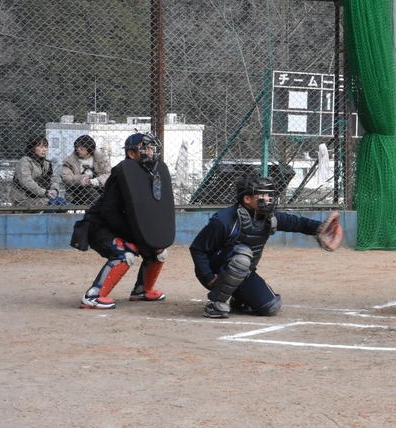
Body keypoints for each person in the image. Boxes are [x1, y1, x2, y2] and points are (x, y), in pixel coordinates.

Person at [190, 175, 341, 319]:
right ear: (247, 199)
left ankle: (240, 298)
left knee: (271, 306)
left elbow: (298, 223)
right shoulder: (224, 220)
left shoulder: (269, 217)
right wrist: (208, 277)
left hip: (241, 270)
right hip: (215, 270)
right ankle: (215, 304)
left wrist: (320, 228)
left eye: (269, 195)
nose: (268, 199)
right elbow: (198, 249)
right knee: (242, 255)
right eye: (262, 196)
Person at [78, 133, 175, 309]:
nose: (150, 151)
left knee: (158, 251)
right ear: (131, 154)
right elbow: (109, 212)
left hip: (123, 226)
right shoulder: (123, 175)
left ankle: (142, 291)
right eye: (144, 148)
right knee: (125, 252)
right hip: (99, 227)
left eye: (151, 147)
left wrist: (143, 235)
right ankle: (93, 296)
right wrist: (135, 235)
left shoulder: (149, 173)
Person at [12, 135, 69, 208]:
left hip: (44, 195)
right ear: (33, 148)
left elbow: (54, 178)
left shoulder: (46, 163)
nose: (44, 149)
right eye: (41, 147)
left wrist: (54, 190)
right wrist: (44, 192)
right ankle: (46, 219)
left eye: (45, 147)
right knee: (52, 203)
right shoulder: (24, 162)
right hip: (25, 197)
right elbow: (26, 182)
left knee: (62, 202)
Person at [60, 134, 111, 206]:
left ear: (89, 147)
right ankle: (100, 210)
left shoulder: (101, 158)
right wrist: (83, 180)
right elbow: (66, 177)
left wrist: (96, 180)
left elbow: (109, 173)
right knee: (90, 192)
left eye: (81, 148)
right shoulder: (70, 161)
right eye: (77, 147)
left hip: (99, 187)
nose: (78, 149)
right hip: (77, 191)